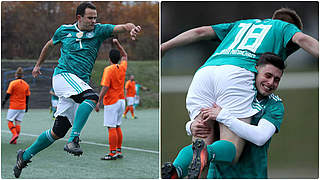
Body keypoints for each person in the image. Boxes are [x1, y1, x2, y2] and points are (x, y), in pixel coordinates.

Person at [161, 7, 318, 178]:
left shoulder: (241, 24)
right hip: (236, 74)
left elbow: (200, 31)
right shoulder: (284, 28)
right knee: (230, 149)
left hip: (205, 71)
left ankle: (175, 170)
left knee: (201, 144)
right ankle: (204, 153)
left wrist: (164, 47)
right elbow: (303, 39)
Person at [13, 2, 141, 178]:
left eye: (95, 17)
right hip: (63, 76)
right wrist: (37, 65)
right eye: (90, 17)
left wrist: (131, 28)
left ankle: (25, 155)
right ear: (79, 18)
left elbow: (123, 26)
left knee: (58, 131)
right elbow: (49, 45)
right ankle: (74, 139)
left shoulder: (99, 30)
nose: (93, 21)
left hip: (78, 84)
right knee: (91, 97)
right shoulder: (64, 30)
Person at [162, 52, 285, 178]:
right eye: (268, 76)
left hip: (248, 174)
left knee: (202, 149)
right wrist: (191, 125)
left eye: (276, 80)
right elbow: (208, 118)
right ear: (256, 70)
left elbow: (260, 137)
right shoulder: (232, 89)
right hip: (218, 175)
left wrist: (224, 116)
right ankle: (176, 171)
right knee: (201, 146)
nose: (271, 82)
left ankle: (178, 169)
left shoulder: (274, 105)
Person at [95, 38, 127, 160]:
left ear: (109, 58)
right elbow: (125, 54)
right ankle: (118, 151)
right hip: (121, 100)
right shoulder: (122, 67)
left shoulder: (108, 70)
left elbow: (105, 87)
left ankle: (112, 153)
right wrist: (118, 44)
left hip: (112, 101)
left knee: (111, 127)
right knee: (117, 125)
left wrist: (98, 101)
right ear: (119, 58)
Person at [2, 67, 30, 145]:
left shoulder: (13, 83)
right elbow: (27, 96)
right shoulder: (26, 84)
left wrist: (3, 102)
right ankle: (14, 140)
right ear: (22, 76)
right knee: (18, 122)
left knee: (9, 121)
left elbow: (8, 94)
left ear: (16, 75)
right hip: (22, 107)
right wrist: (26, 106)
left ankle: (14, 134)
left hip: (14, 106)